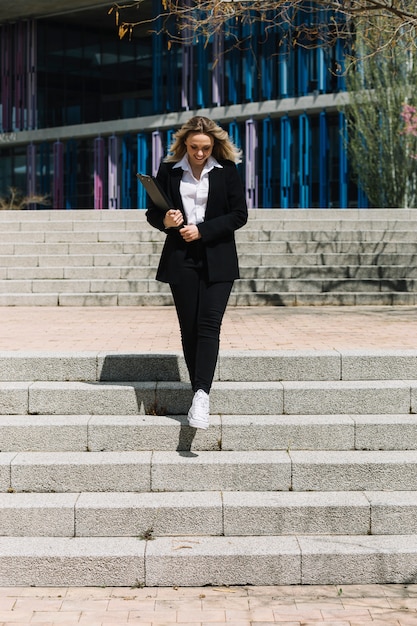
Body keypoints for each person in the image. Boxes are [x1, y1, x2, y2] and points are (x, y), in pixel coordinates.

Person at [146, 116, 248, 430]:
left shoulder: (227, 171)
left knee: (208, 326)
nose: (200, 153)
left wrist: (202, 231)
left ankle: (202, 395)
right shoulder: (168, 170)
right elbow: (153, 213)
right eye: (194, 147)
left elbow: (239, 215)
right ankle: (197, 390)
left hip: (218, 257)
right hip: (181, 258)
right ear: (185, 145)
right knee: (189, 329)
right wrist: (168, 221)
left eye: (205, 147)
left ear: (214, 145)